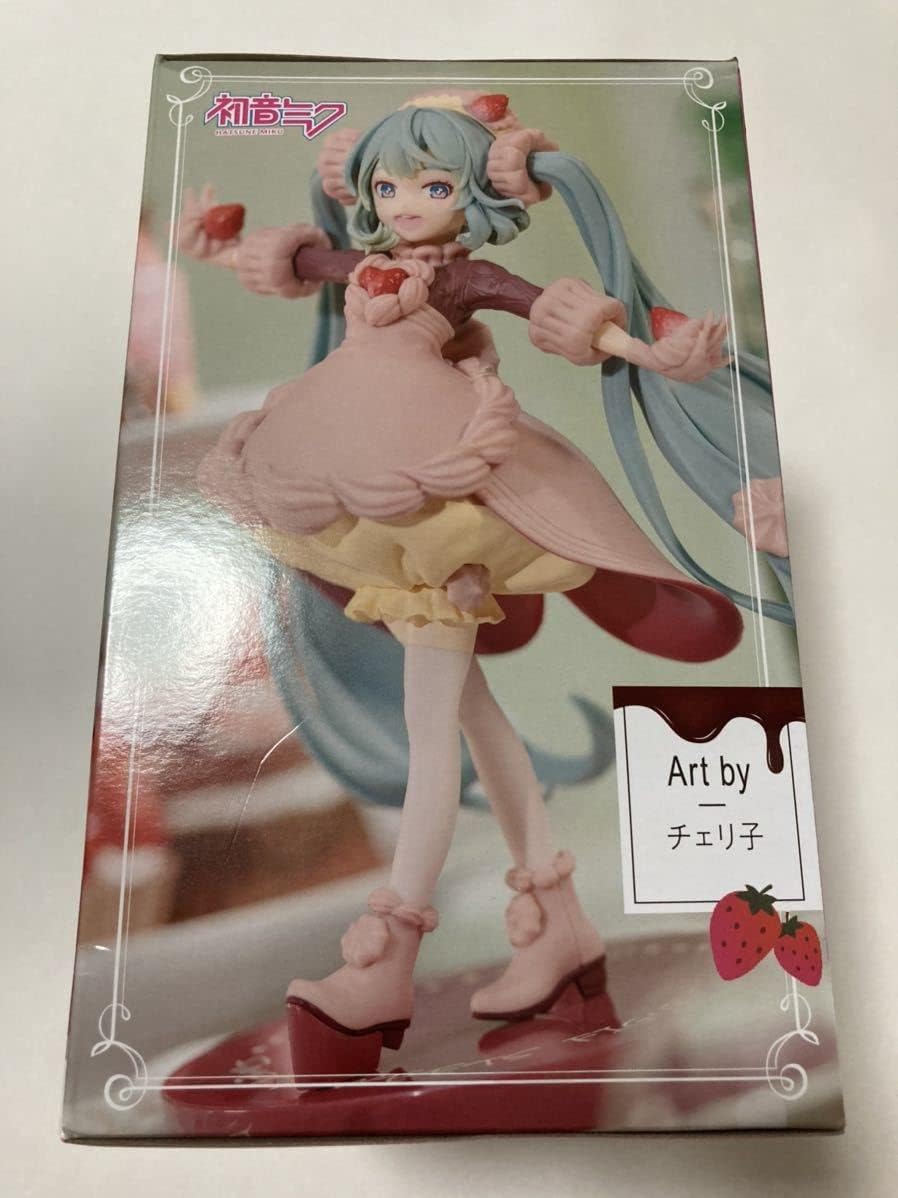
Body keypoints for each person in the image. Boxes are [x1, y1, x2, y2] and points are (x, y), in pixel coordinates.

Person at [180, 93, 776, 1078]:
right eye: (387, 187)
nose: (405, 204)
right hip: (372, 500)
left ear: (473, 192)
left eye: (430, 184)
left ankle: (383, 959)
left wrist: (653, 354)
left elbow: (558, 316)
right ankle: (558, 927)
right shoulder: (367, 266)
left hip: (441, 516)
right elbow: (300, 262)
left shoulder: (465, 279)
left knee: (432, 731)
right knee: (470, 715)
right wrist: (216, 245)